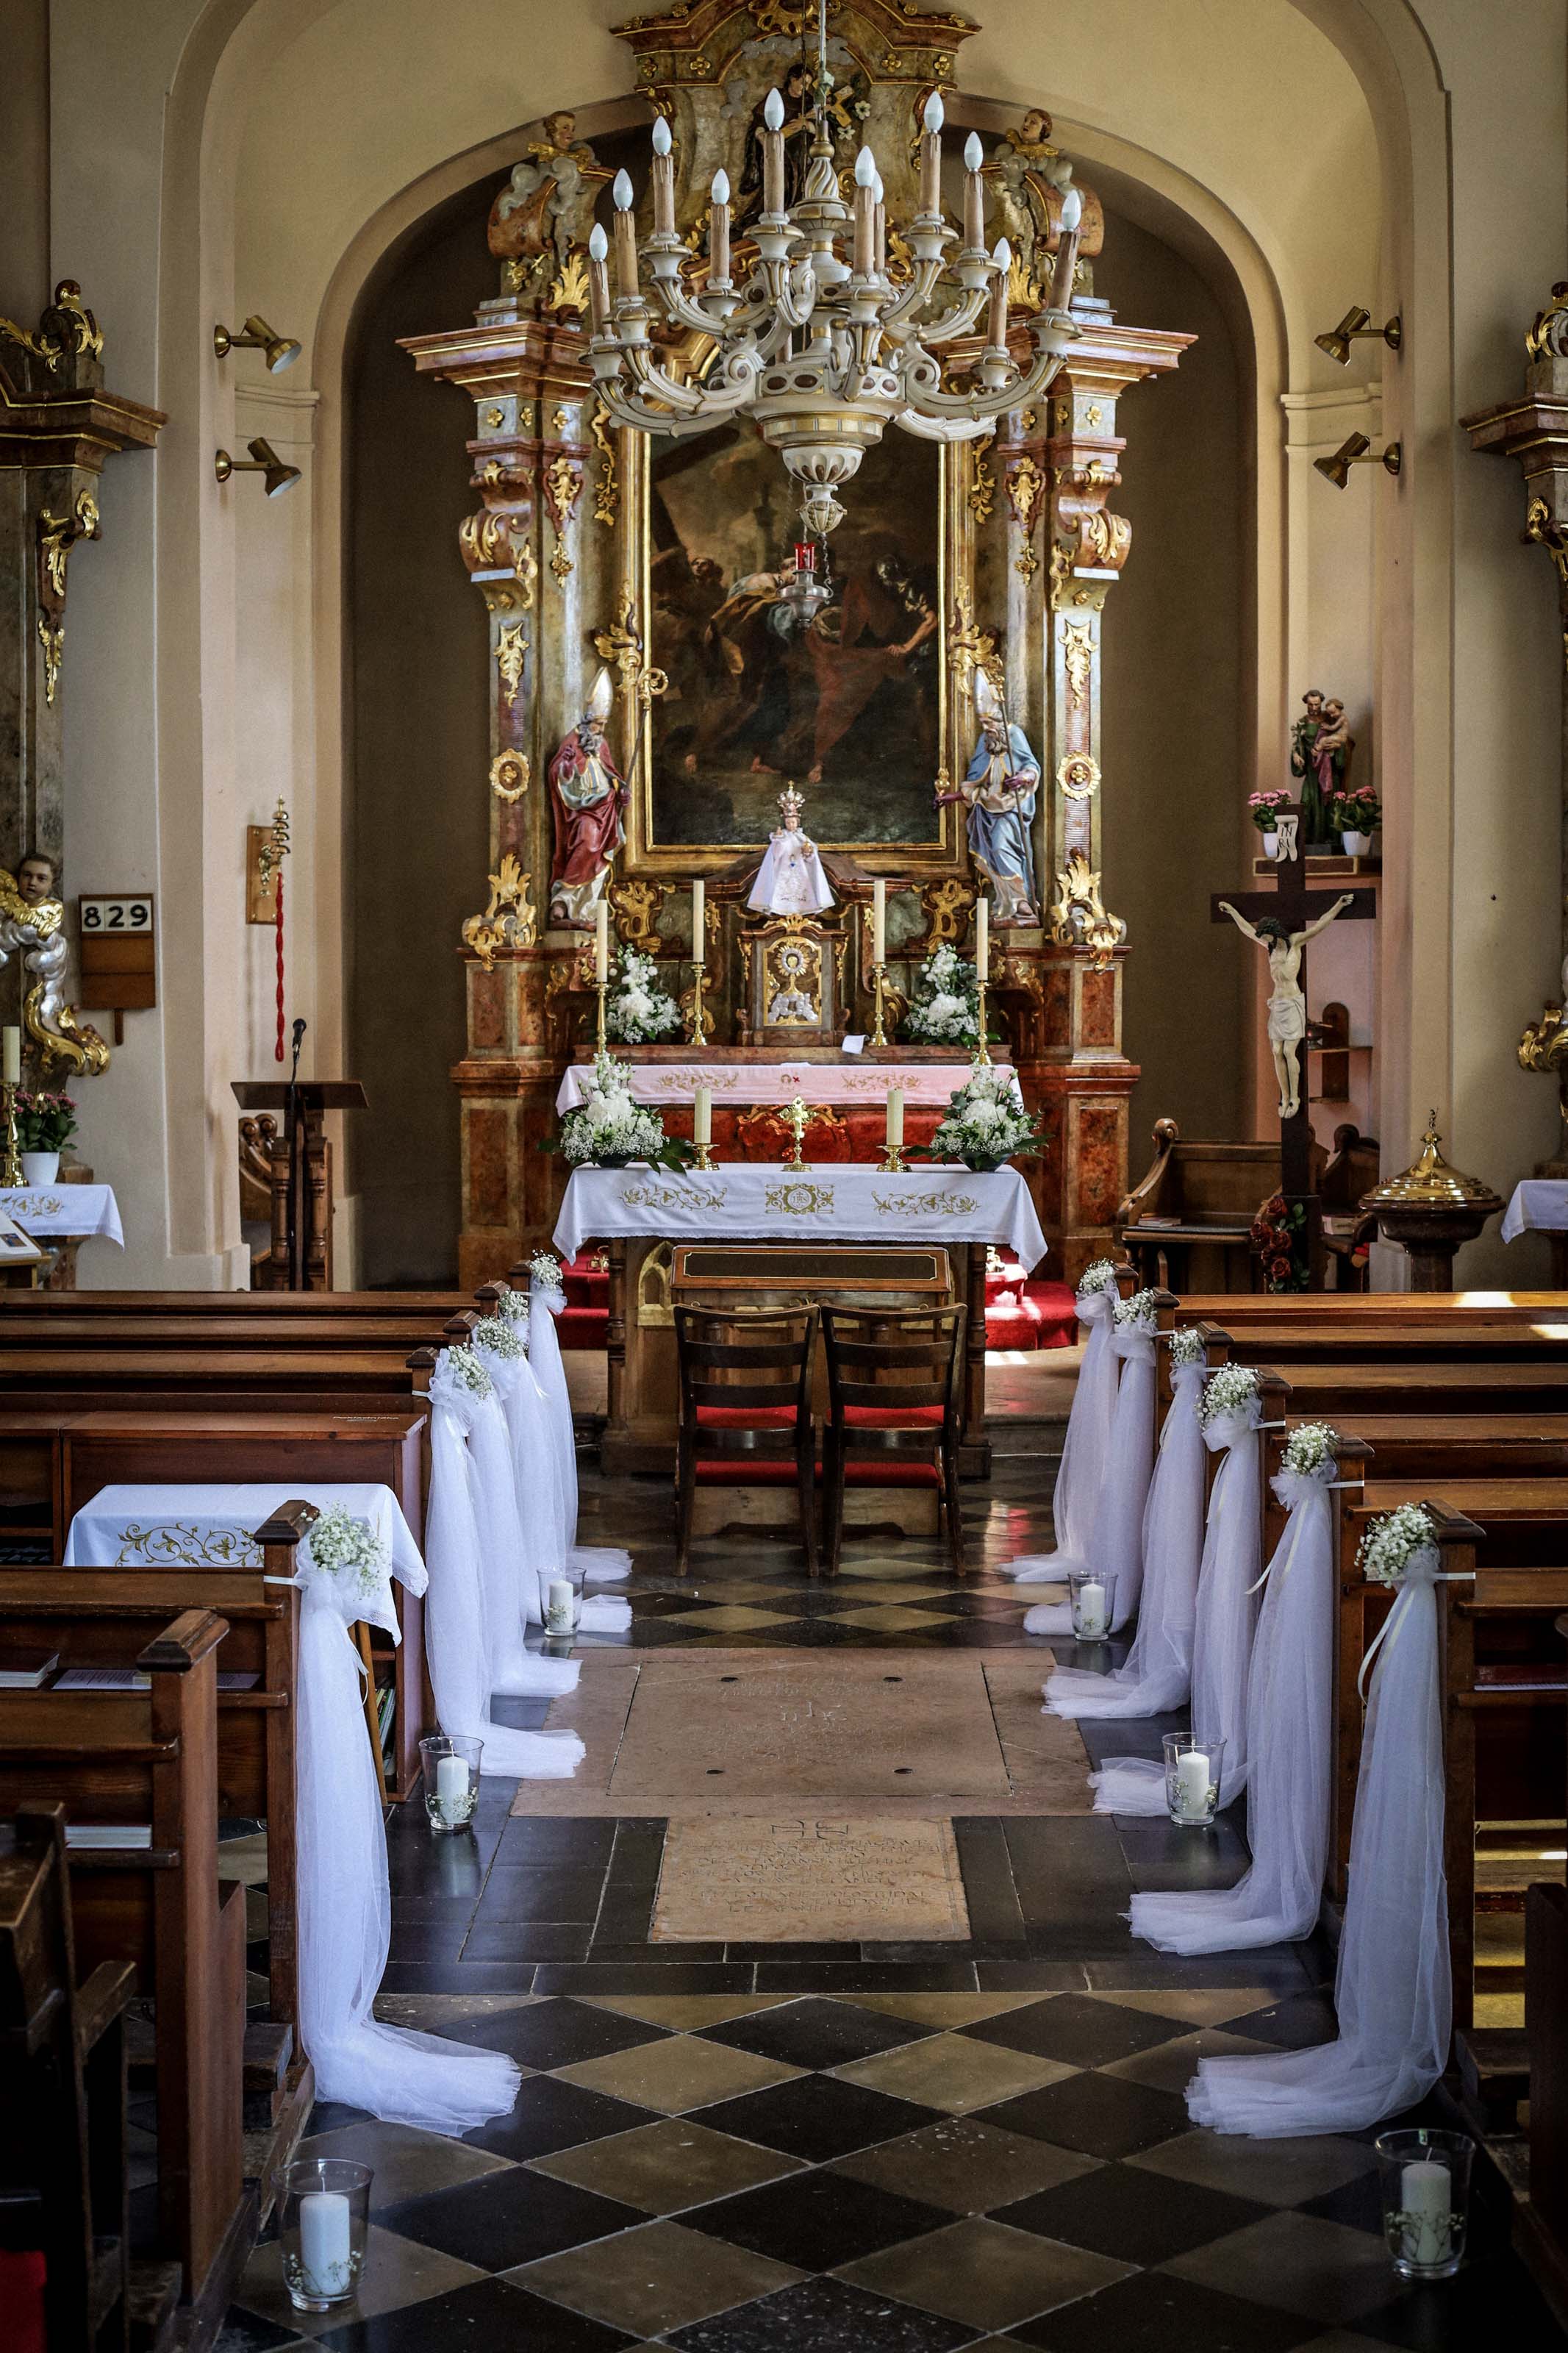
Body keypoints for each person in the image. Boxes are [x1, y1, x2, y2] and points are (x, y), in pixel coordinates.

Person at [1214, 893, 1356, 1118]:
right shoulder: (1269, 947)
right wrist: (1233, 912)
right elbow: (1248, 931)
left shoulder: (1295, 942)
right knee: (1275, 1050)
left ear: (1274, 932)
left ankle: (1295, 1098)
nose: (1265, 940)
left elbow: (1320, 925)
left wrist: (1338, 905)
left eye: (1267, 936)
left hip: (1292, 1003)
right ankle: (1284, 1096)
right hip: (1278, 1003)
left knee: (1290, 1051)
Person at [937, 674, 1042, 923]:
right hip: (987, 809)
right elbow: (975, 779)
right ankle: (1009, 902)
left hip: (1010, 811)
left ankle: (1021, 901)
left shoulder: (1014, 735)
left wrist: (1024, 778)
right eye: (984, 724)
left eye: (991, 723)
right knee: (993, 854)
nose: (987, 730)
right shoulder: (986, 741)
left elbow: (1031, 766)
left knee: (1002, 847)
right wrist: (949, 798)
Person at [548, 669, 628, 926]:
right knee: (588, 842)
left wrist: (621, 792)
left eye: (604, 726)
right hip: (583, 813)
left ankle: (585, 910)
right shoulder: (573, 742)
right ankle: (563, 899)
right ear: (587, 720)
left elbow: (610, 773)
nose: (601, 730)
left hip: (606, 812)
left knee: (600, 859)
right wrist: (568, 769)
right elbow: (558, 774)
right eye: (598, 725)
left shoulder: (601, 744)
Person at [748, 787, 834, 916]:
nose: (791, 825)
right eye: (788, 822)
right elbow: (775, 855)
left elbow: (811, 858)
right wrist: (779, 841)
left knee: (802, 888)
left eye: (793, 822)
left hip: (800, 871)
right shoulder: (780, 837)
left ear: (797, 822)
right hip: (782, 871)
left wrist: (807, 852)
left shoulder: (803, 838)